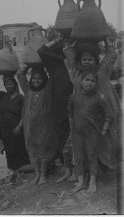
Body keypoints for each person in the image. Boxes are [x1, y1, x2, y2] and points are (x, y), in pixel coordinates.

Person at [63, 38, 120, 168]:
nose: (87, 62)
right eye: (84, 59)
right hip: (86, 115)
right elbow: (72, 61)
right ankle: (91, 171)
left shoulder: (102, 71)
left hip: (103, 112)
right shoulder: (78, 74)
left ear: (96, 60)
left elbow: (111, 56)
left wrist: (106, 41)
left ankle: (108, 165)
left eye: (90, 59)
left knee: (107, 139)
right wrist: (72, 47)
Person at [69, 71, 113, 193]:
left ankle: (92, 182)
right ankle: (81, 182)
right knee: (78, 156)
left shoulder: (98, 98)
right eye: (87, 80)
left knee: (91, 155)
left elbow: (109, 114)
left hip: (92, 132)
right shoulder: (74, 97)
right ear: (81, 82)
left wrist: (103, 131)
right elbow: (70, 114)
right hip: (76, 132)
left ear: (96, 84)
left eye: (93, 81)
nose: (90, 83)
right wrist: (71, 130)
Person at [15, 62, 59, 185]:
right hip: (30, 128)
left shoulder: (48, 89)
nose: (36, 80)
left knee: (44, 149)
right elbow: (19, 74)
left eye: (39, 78)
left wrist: (45, 64)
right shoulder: (27, 90)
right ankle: (37, 174)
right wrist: (28, 65)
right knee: (33, 150)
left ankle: (44, 175)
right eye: (34, 78)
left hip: (46, 127)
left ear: (44, 79)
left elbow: (53, 76)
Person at [37, 36, 74, 183]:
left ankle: (77, 172)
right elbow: (42, 50)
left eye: (69, 47)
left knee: (74, 139)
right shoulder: (56, 64)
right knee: (61, 138)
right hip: (59, 106)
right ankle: (67, 170)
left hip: (75, 105)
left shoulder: (75, 63)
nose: (66, 49)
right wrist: (58, 39)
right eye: (63, 47)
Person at [0, 72, 29, 179]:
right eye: (6, 84)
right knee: (9, 152)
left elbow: (25, 114)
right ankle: (12, 170)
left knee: (19, 151)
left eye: (10, 84)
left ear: (15, 85)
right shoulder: (3, 96)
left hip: (17, 130)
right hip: (5, 131)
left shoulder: (20, 98)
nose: (8, 86)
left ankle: (23, 169)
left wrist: (19, 126)